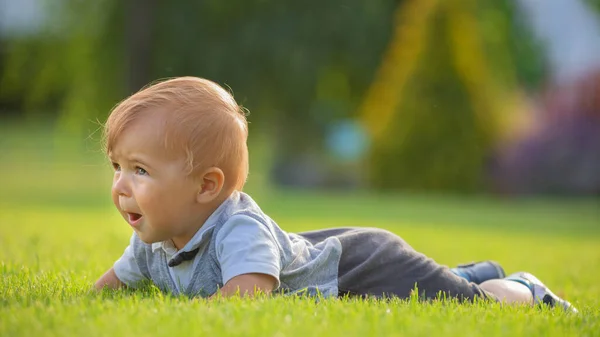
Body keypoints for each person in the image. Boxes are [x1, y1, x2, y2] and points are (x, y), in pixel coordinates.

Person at [94, 77, 576, 312]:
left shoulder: (237, 230)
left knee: (467, 304)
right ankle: (471, 271)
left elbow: (246, 298)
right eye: (118, 167)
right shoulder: (152, 239)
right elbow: (108, 288)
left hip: (363, 263)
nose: (122, 187)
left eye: (140, 171)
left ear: (206, 186)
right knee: (436, 288)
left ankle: (523, 287)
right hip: (328, 257)